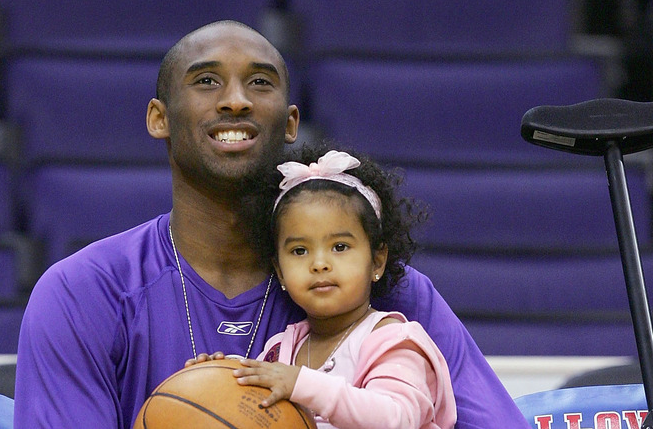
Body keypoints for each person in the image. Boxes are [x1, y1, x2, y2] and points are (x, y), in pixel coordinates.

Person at [13, 19, 531, 428]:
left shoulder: (388, 289)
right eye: (207, 81)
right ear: (159, 118)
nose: (236, 99)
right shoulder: (84, 293)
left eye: (259, 82)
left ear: (289, 123)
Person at [187, 147, 457, 428]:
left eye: (339, 247)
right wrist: (218, 376)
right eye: (299, 250)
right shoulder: (281, 349)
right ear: (279, 271)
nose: (319, 264)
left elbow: (398, 418)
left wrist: (302, 384)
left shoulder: (393, 340)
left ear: (377, 261)